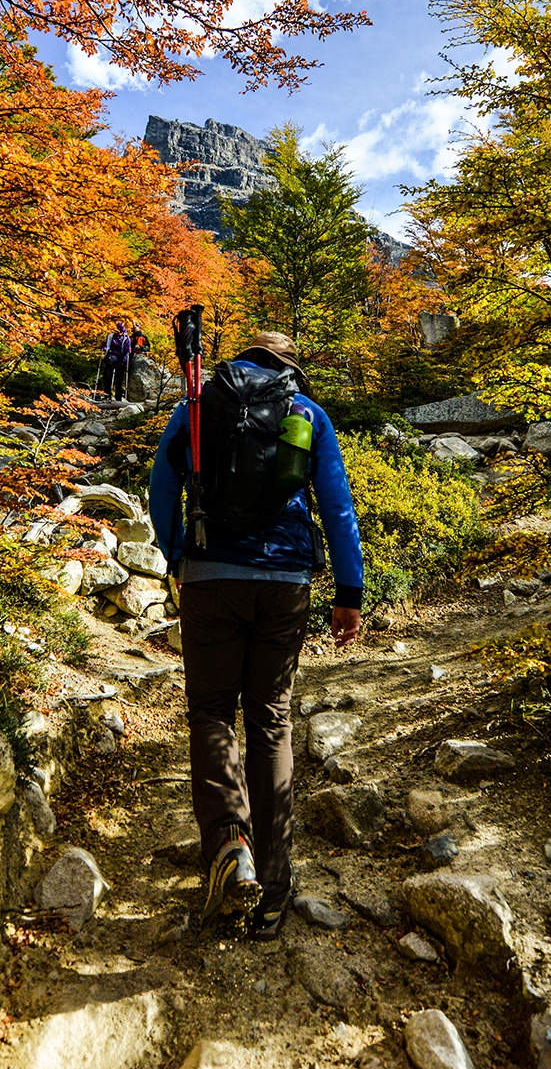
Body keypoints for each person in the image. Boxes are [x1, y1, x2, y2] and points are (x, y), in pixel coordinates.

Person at [149, 331, 364, 938]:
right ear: (288, 366)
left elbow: (163, 486)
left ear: (240, 360)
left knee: (212, 711)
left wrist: (174, 557)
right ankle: (272, 887)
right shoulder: (308, 413)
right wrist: (348, 591)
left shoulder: (195, 405)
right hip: (286, 581)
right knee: (270, 718)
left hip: (210, 575)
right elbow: (337, 504)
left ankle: (228, 846)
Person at [99, 321, 133, 401]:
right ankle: (107, 395)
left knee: (119, 380)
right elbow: (107, 346)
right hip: (111, 359)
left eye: (119, 330)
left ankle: (118, 398)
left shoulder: (126, 338)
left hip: (121, 361)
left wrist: (128, 350)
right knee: (107, 378)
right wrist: (104, 347)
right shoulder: (111, 336)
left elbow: (128, 349)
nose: (118, 332)